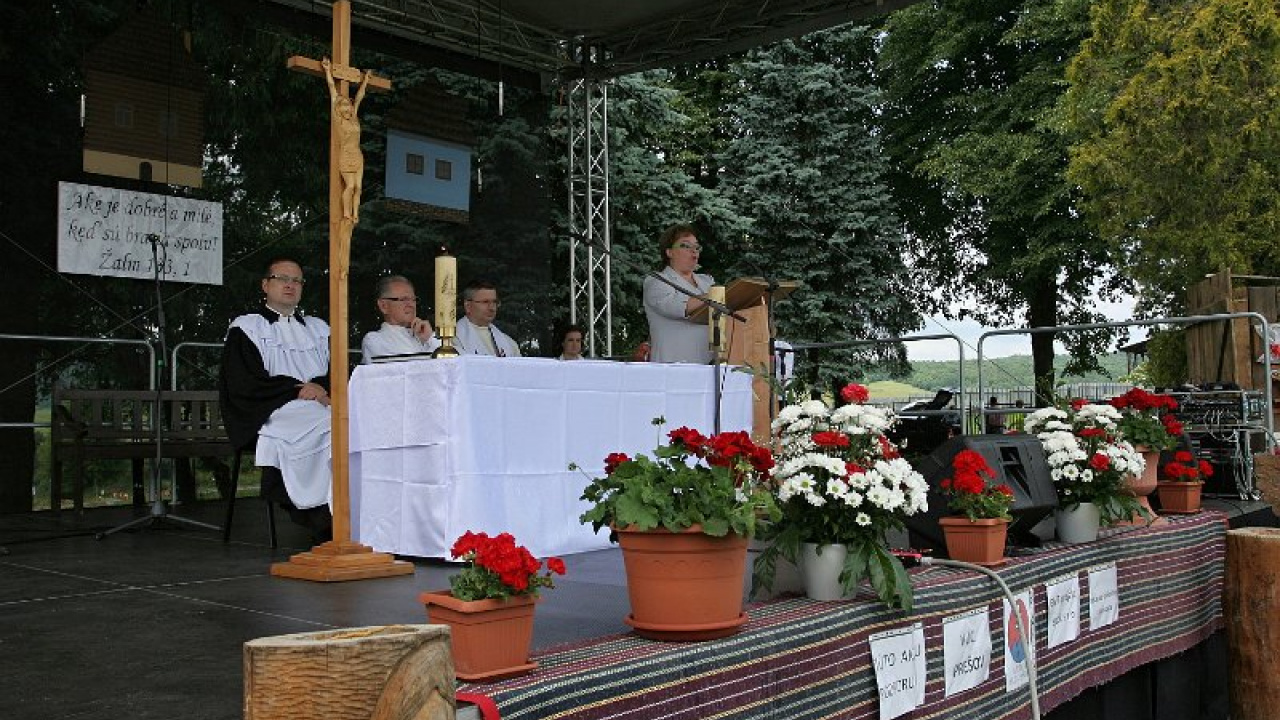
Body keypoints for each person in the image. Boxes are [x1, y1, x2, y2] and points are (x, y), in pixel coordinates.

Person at [219, 257, 333, 543]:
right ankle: (323, 515)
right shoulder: (247, 328)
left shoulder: (319, 329)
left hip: (320, 403)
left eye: (296, 281)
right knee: (329, 425)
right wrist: (296, 389)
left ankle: (345, 511)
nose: (290, 286)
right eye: (283, 279)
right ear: (265, 284)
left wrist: (319, 386)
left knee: (347, 423)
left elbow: (340, 371)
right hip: (271, 408)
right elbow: (244, 383)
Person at [642, 224, 714, 364]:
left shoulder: (707, 282)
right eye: (686, 246)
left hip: (711, 366)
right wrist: (717, 295)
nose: (694, 251)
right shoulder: (657, 281)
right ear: (669, 252)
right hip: (673, 367)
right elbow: (678, 307)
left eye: (697, 247)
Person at [322, 57, 370, 223]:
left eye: (348, 105)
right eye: (344, 106)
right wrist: (328, 70)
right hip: (346, 155)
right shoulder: (339, 120)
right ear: (339, 109)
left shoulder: (354, 118)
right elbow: (332, 89)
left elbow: (359, 97)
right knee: (349, 186)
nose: (348, 108)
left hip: (357, 156)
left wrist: (365, 81)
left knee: (358, 188)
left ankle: (355, 214)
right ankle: (346, 213)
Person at [360, 275, 440, 363]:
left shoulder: (426, 336)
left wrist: (430, 338)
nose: (411, 304)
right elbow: (409, 370)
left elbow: (453, 367)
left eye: (413, 299)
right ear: (384, 306)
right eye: (404, 299)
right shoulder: (375, 340)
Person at [454, 280, 521, 357]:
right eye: (485, 302)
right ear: (468, 306)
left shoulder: (509, 344)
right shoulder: (454, 339)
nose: (492, 308)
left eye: (495, 302)